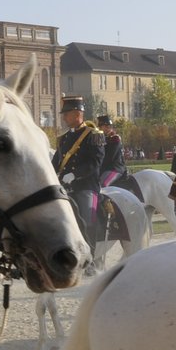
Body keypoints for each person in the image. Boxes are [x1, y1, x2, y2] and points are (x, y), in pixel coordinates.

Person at [53, 97, 105, 247]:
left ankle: (91, 260)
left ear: (77, 114)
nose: (63, 117)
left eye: (66, 114)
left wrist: (75, 174)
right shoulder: (64, 138)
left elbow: (95, 162)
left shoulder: (94, 135)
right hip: (64, 186)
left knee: (87, 220)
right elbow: (55, 163)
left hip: (86, 186)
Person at [97, 114, 128, 189]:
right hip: (104, 169)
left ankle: (107, 201)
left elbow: (109, 157)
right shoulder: (99, 139)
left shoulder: (115, 138)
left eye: (110, 127)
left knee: (102, 185)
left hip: (114, 168)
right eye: (106, 127)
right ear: (100, 127)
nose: (109, 128)